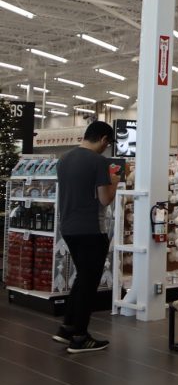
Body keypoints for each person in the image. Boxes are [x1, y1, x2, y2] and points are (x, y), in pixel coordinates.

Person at [54, 121, 119, 353]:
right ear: (103, 139)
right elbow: (104, 199)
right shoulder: (99, 162)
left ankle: (67, 328)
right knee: (88, 283)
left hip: (69, 227)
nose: (107, 147)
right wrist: (115, 183)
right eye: (108, 143)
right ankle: (80, 337)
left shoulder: (64, 159)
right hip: (91, 229)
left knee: (82, 278)